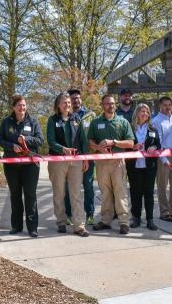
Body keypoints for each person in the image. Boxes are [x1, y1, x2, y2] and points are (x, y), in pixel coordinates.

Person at [0, 95, 44, 237]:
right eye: (19, 105)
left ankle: (32, 228)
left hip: (30, 165)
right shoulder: (6, 122)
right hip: (11, 165)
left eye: (24, 105)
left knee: (30, 195)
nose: (22, 108)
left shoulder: (33, 122)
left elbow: (40, 140)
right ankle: (16, 226)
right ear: (13, 107)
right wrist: (11, 146)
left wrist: (26, 140)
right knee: (15, 195)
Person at [87, 94, 135, 235]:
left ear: (116, 105)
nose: (111, 106)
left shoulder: (123, 122)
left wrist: (113, 142)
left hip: (117, 162)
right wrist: (98, 147)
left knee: (120, 191)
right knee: (105, 192)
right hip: (101, 162)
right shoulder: (96, 122)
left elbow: (131, 143)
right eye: (107, 103)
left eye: (113, 103)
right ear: (103, 105)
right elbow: (90, 141)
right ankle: (106, 220)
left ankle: (124, 222)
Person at [46, 93, 90, 237]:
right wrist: (62, 149)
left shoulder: (76, 119)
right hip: (58, 161)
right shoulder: (53, 120)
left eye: (69, 102)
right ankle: (61, 222)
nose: (67, 105)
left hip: (76, 161)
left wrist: (85, 158)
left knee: (76, 193)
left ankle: (79, 225)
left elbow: (83, 140)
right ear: (58, 105)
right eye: (64, 103)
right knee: (59, 193)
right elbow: (51, 141)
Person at [125, 103, 163, 231]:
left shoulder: (153, 130)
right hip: (133, 166)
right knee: (135, 193)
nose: (145, 114)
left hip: (149, 167)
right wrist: (132, 147)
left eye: (147, 112)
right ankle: (136, 218)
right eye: (143, 111)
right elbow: (125, 145)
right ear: (137, 113)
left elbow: (159, 145)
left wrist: (154, 147)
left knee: (149, 193)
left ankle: (150, 220)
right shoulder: (129, 128)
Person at [64, 88, 97, 225]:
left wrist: (93, 153)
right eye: (73, 98)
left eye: (78, 98)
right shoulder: (65, 115)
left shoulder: (90, 115)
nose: (75, 100)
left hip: (88, 156)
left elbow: (95, 134)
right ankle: (69, 215)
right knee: (70, 187)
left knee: (88, 186)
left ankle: (90, 214)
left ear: (81, 99)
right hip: (70, 158)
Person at [152, 96, 172, 222]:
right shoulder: (156, 121)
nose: (168, 107)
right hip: (163, 157)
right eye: (165, 105)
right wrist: (164, 160)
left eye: (169, 105)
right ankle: (164, 212)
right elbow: (158, 143)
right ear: (160, 106)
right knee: (162, 185)